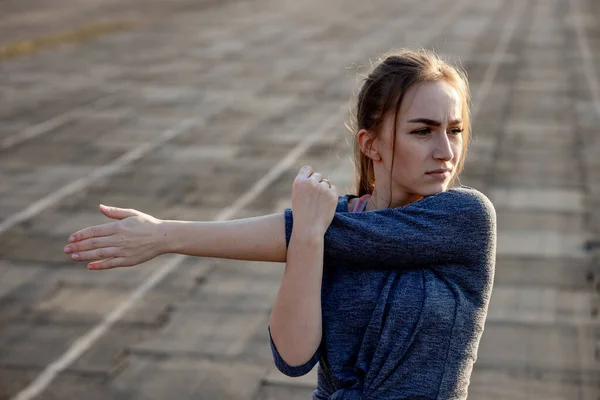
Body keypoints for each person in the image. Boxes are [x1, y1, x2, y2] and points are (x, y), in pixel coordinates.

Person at [63, 48, 496, 400]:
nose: (446, 150)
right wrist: (307, 239)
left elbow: (338, 236)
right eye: (423, 131)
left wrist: (163, 235)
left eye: (454, 130)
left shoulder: (465, 219)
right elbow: (292, 357)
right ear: (372, 144)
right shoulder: (322, 227)